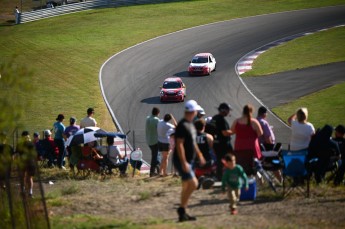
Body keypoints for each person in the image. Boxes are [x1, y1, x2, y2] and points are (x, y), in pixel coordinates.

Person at [173, 100, 205, 222]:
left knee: (186, 186)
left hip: (189, 160)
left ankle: (183, 213)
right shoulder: (182, 125)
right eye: (196, 110)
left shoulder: (191, 124)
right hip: (182, 161)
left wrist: (200, 155)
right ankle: (181, 209)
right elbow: (179, 145)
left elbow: (193, 142)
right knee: (194, 184)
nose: (197, 112)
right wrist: (184, 162)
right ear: (192, 111)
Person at [209, 103, 233, 181]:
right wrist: (234, 131)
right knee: (231, 159)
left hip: (216, 144)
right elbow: (224, 133)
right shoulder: (221, 119)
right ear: (223, 110)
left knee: (219, 161)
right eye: (228, 110)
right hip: (224, 144)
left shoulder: (214, 118)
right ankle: (231, 176)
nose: (229, 112)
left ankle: (219, 177)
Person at [16, 131, 37, 198]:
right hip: (31, 162)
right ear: (28, 136)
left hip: (22, 162)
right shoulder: (31, 144)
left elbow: (17, 154)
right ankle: (30, 192)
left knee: (22, 177)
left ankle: (23, 191)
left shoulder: (19, 144)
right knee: (29, 178)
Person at [146, 107, 160, 177]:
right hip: (155, 141)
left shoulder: (148, 118)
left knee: (156, 155)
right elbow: (159, 129)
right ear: (158, 113)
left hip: (149, 140)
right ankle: (152, 172)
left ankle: (158, 169)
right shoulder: (157, 120)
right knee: (155, 156)